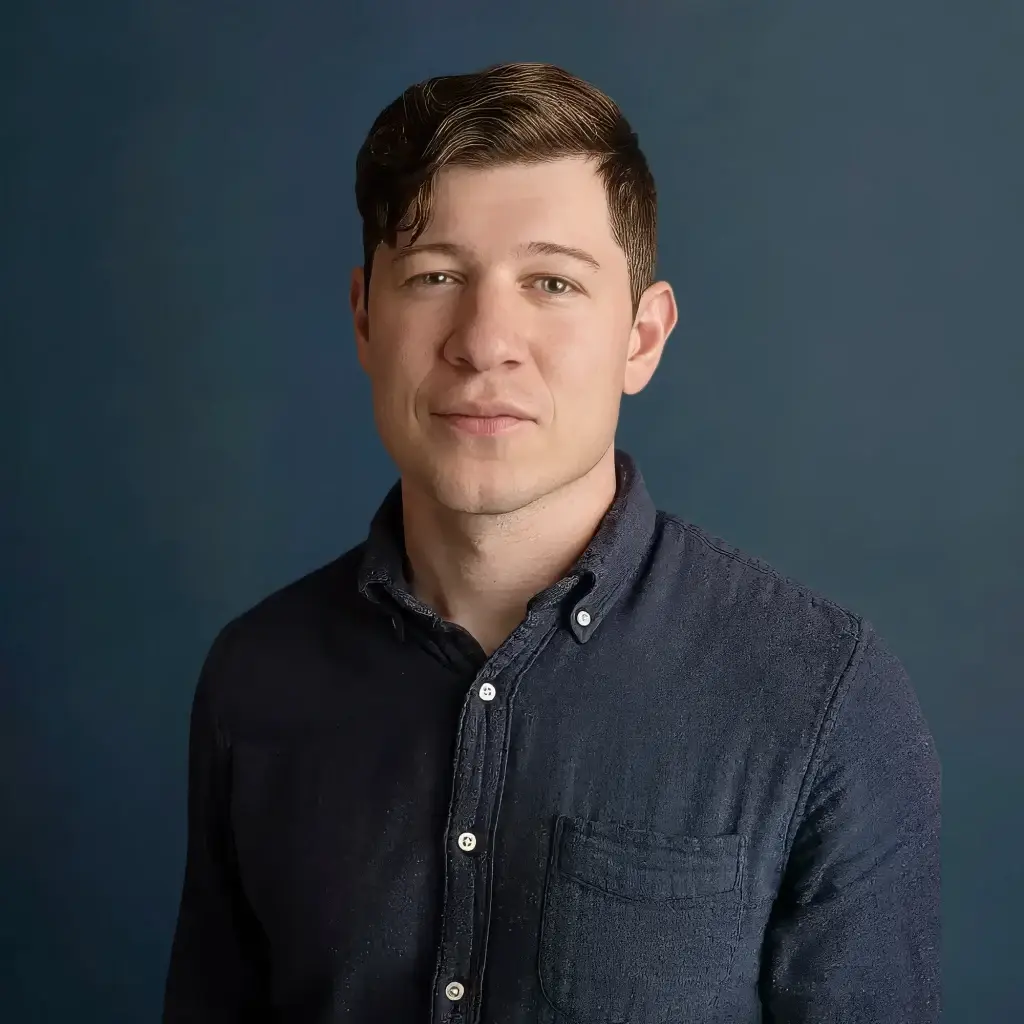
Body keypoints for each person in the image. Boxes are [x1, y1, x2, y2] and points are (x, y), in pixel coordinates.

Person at [163, 61, 941, 1023]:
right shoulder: (256, 677)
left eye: (551, 281)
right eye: (437, 275)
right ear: (365, 317)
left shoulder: (822, 696)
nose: (485, 340)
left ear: (642, 339)